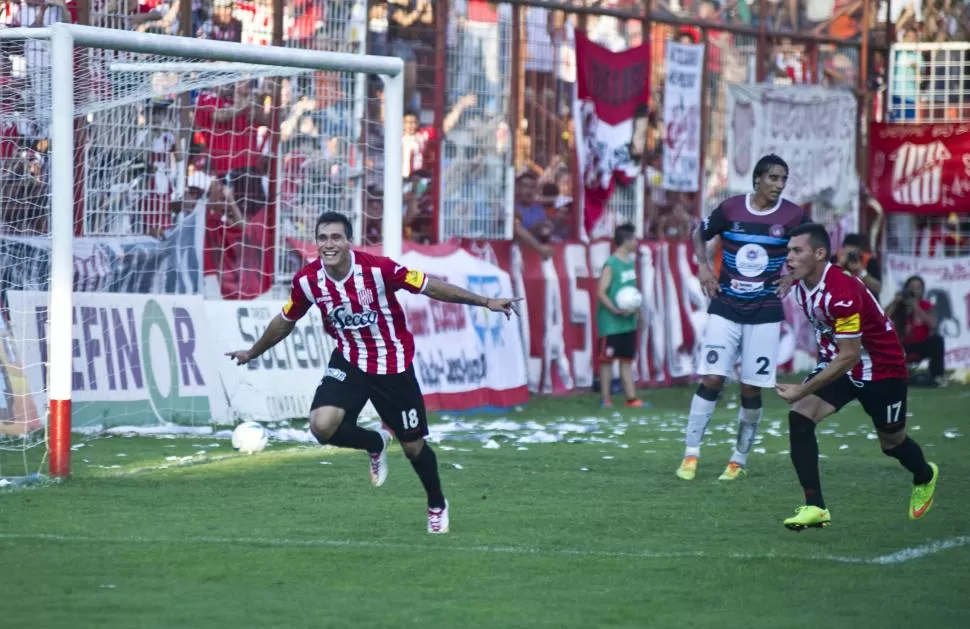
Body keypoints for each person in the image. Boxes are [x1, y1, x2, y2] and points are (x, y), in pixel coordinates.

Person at [226, 211, 520, 534]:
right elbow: (286, 321)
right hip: (350, 360)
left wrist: (486, 302)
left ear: (349, 241)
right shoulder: (308, 282)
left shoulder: (379, 271)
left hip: (392, 364)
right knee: (321, 426)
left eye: (336, 237)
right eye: (323, 238)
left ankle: (436, 503)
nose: (329, 244)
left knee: (413, 447)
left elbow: (430, 287)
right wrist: (252, 352)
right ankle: (375, 442)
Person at [778, 223, 939, 530]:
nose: (789, 257)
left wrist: (802, 389)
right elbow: (844, 357)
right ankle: (816, 507)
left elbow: (850, 354)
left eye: (796, 251)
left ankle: (925, 475)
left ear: (819, 253)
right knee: (800, 419)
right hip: (843, 365)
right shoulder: (801, 281)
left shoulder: (842, 293)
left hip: (882, 368)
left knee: (892, 443)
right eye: (789, 251)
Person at [676, 154, 810, 482]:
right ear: (757, 179)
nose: (779, 185)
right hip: (725, 305)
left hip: (765, 310)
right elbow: (699, 233)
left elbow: (814, 251)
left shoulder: (793, 216)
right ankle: (690, 455)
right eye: (773, 178)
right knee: (711, 378)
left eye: (783, 180)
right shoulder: (732, 209)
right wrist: (704, 266)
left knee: (751, 387)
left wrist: (793, 276)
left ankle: (738, 459)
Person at [596, 223, 644, 408]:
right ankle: (605, 399)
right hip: (611, 322)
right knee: (607, 361)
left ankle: (631, 398)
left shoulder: (630, 263)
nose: (637, 242)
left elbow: (632, 292)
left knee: (626, 359)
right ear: (626, 241)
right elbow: (601, 292)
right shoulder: (611, 264)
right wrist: (614, 309)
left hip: (628, 321)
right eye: (634, 239)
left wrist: (638, 312)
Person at [886, 275, 945, 386]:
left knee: (937, 340)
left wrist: (915, 307)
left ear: (922, 290)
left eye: (918, 287)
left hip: (921, 344)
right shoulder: (898, 306)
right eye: (911, 287)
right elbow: (881, 319)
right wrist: (894, 303)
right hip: (901, 345)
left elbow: (932, 324)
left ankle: (937, 376)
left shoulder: (926, 305)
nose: (914, 290)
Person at [834, 233, 882, 298]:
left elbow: (877, 288)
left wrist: (861, 271)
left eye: (854, 249)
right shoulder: (835, 259)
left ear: (860, 251)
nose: (851, 254)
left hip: (865, 302)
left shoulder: (870, 261)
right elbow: (826, 283)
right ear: (843, 249)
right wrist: (840, 265)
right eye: (849, 249)